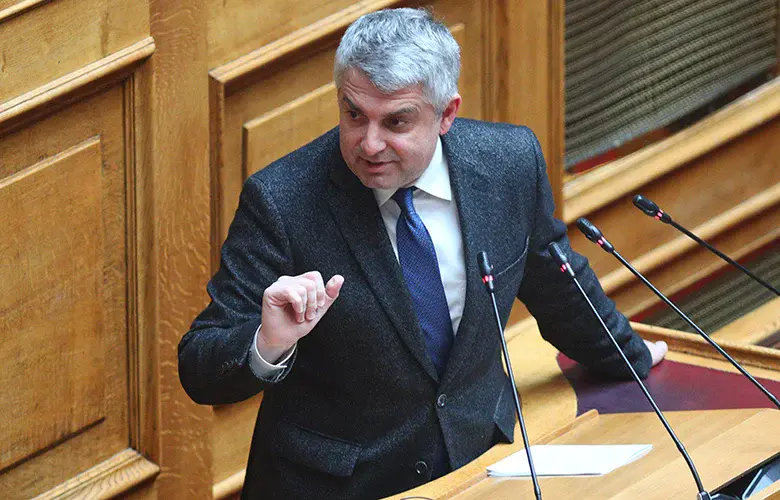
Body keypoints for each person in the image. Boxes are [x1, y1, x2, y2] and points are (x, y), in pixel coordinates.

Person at [178, 8, 667, 499]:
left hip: (476, 466)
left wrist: (631, 356)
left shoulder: (508, 163)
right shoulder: (282, 200)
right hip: (341, 487)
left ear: (446, 114)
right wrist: (267, 342)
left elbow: (557, 284)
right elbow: (200, 367)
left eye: (396, 121)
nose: (370, 144)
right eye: (354, 114)